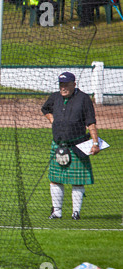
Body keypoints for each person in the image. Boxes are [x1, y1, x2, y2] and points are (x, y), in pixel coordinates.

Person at [41, 72, 100, 220]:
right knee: (55, 179)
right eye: (61, 85)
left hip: (78, 145)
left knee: (77, 180)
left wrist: (95, 142)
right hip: (58, 144)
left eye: (66, 84)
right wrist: (52, 120)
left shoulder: (83, 99)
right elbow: (45, 109)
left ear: (74, 84)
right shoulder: (55, 97)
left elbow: (91, 122)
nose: (63, 88)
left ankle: (76, 212)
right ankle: (57, 212)